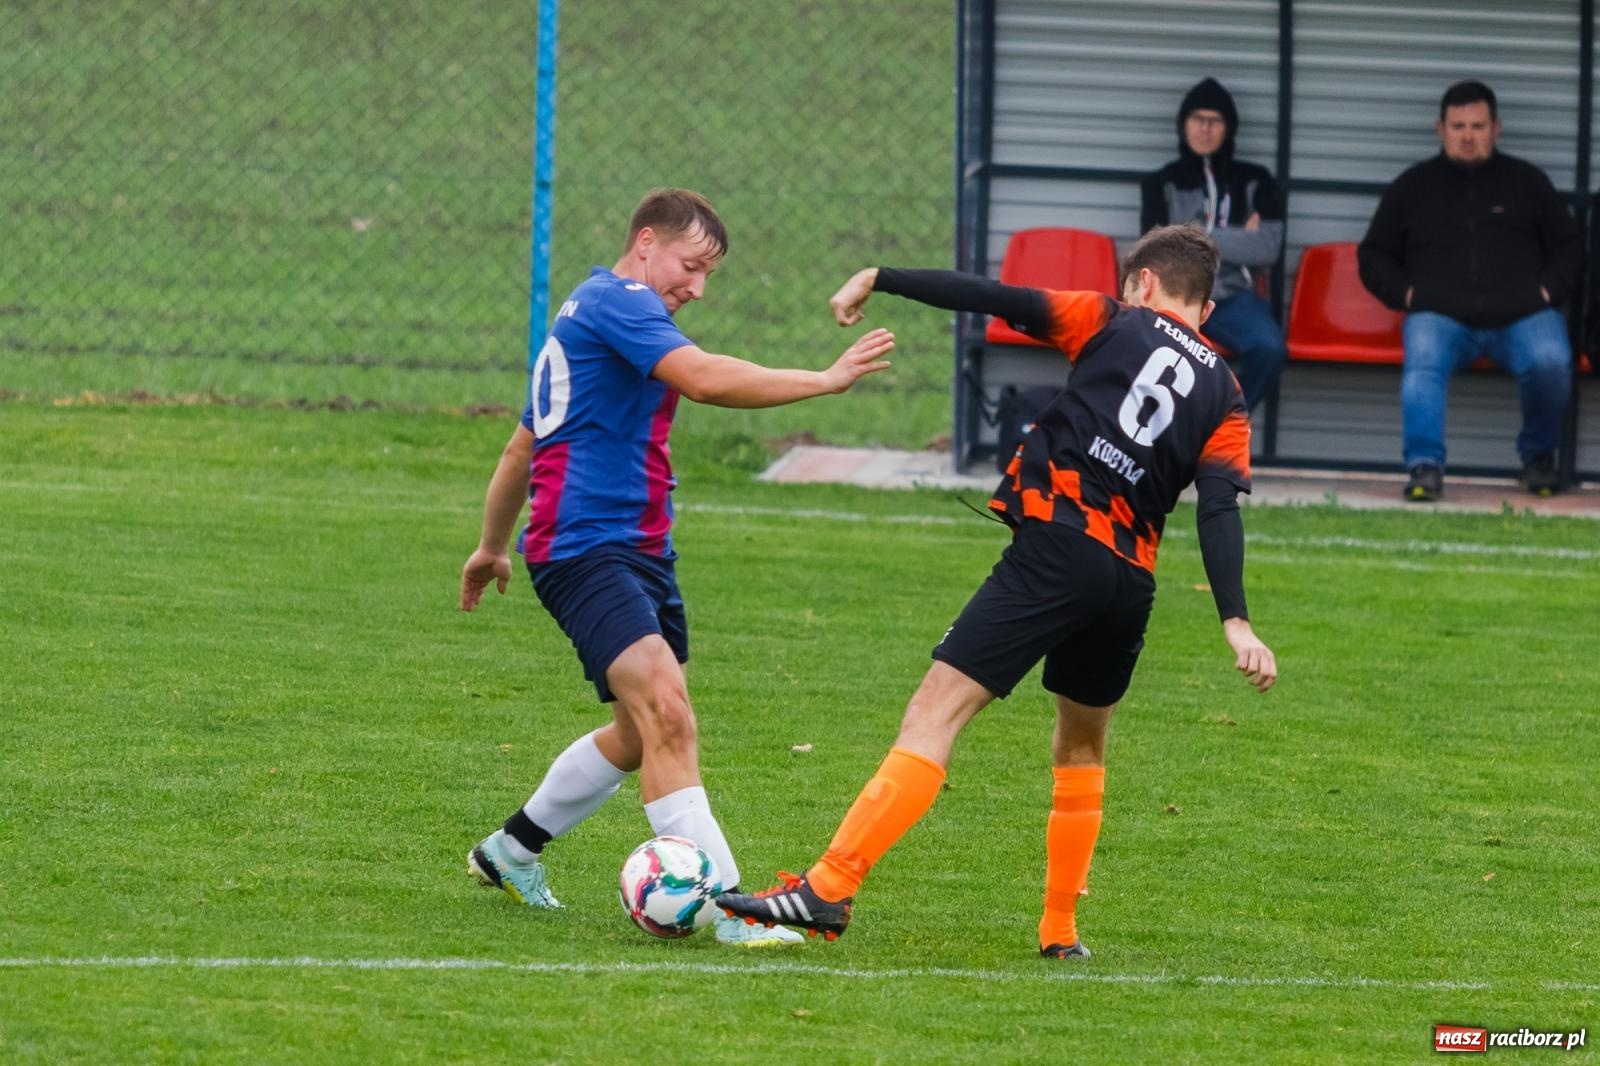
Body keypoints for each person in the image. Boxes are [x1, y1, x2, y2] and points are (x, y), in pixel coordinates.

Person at [716, 223, 1277, 959]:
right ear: (1205, 310)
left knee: (934, 713)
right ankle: (1060, 931)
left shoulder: (1111, 318)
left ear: (1141, 284)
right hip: (1127, 583)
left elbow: (989, 294)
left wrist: (879, 274)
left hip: (1058, 549)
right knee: (1080, 749)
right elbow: (1217, 507)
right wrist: (1236, 620)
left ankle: (827, 889)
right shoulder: (1228, 393)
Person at [459, 188, 895, 948]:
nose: (696, 287)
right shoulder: (620, 300)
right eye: (690, 266)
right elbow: (703, 377)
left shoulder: (591, 316)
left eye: (706, 276)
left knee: (638, 731)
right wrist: (822, 380)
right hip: (583, 546)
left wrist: (491, 545)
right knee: (667, 713)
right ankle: (731, 911)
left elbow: (521, 448)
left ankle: (510, 851)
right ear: (647, 241)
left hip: (639, 550)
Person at [1357, 80, 1580, 501]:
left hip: (1525, 315)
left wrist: (1548, 293)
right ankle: (1425, 467)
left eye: (1478, 125)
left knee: (1551, 359)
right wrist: (1407, 296)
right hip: (1440, 316)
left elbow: (1568, 247)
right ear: (1439, 128)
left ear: (1497, 128)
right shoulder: (1412, 186)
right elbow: (1373, 256)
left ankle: (1538, 459)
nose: (1468, 135)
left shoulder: (1528, 182)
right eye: (1458, 126)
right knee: (1422, 359)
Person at [1141, 77, 1287, 414]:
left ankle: (1220, 425)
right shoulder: (1160, 183)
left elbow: (1267, 248)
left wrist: (1193, 233)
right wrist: (1235, 235)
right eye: (1198, 119)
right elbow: (1156, 250)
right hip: (1175, 296)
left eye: (1215, 121)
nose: (1205, 129)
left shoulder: (1255, 180)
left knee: (1270, 349)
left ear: (1228, 128)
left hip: (1234, 298)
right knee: (1150, 354)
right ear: (1183, 125)